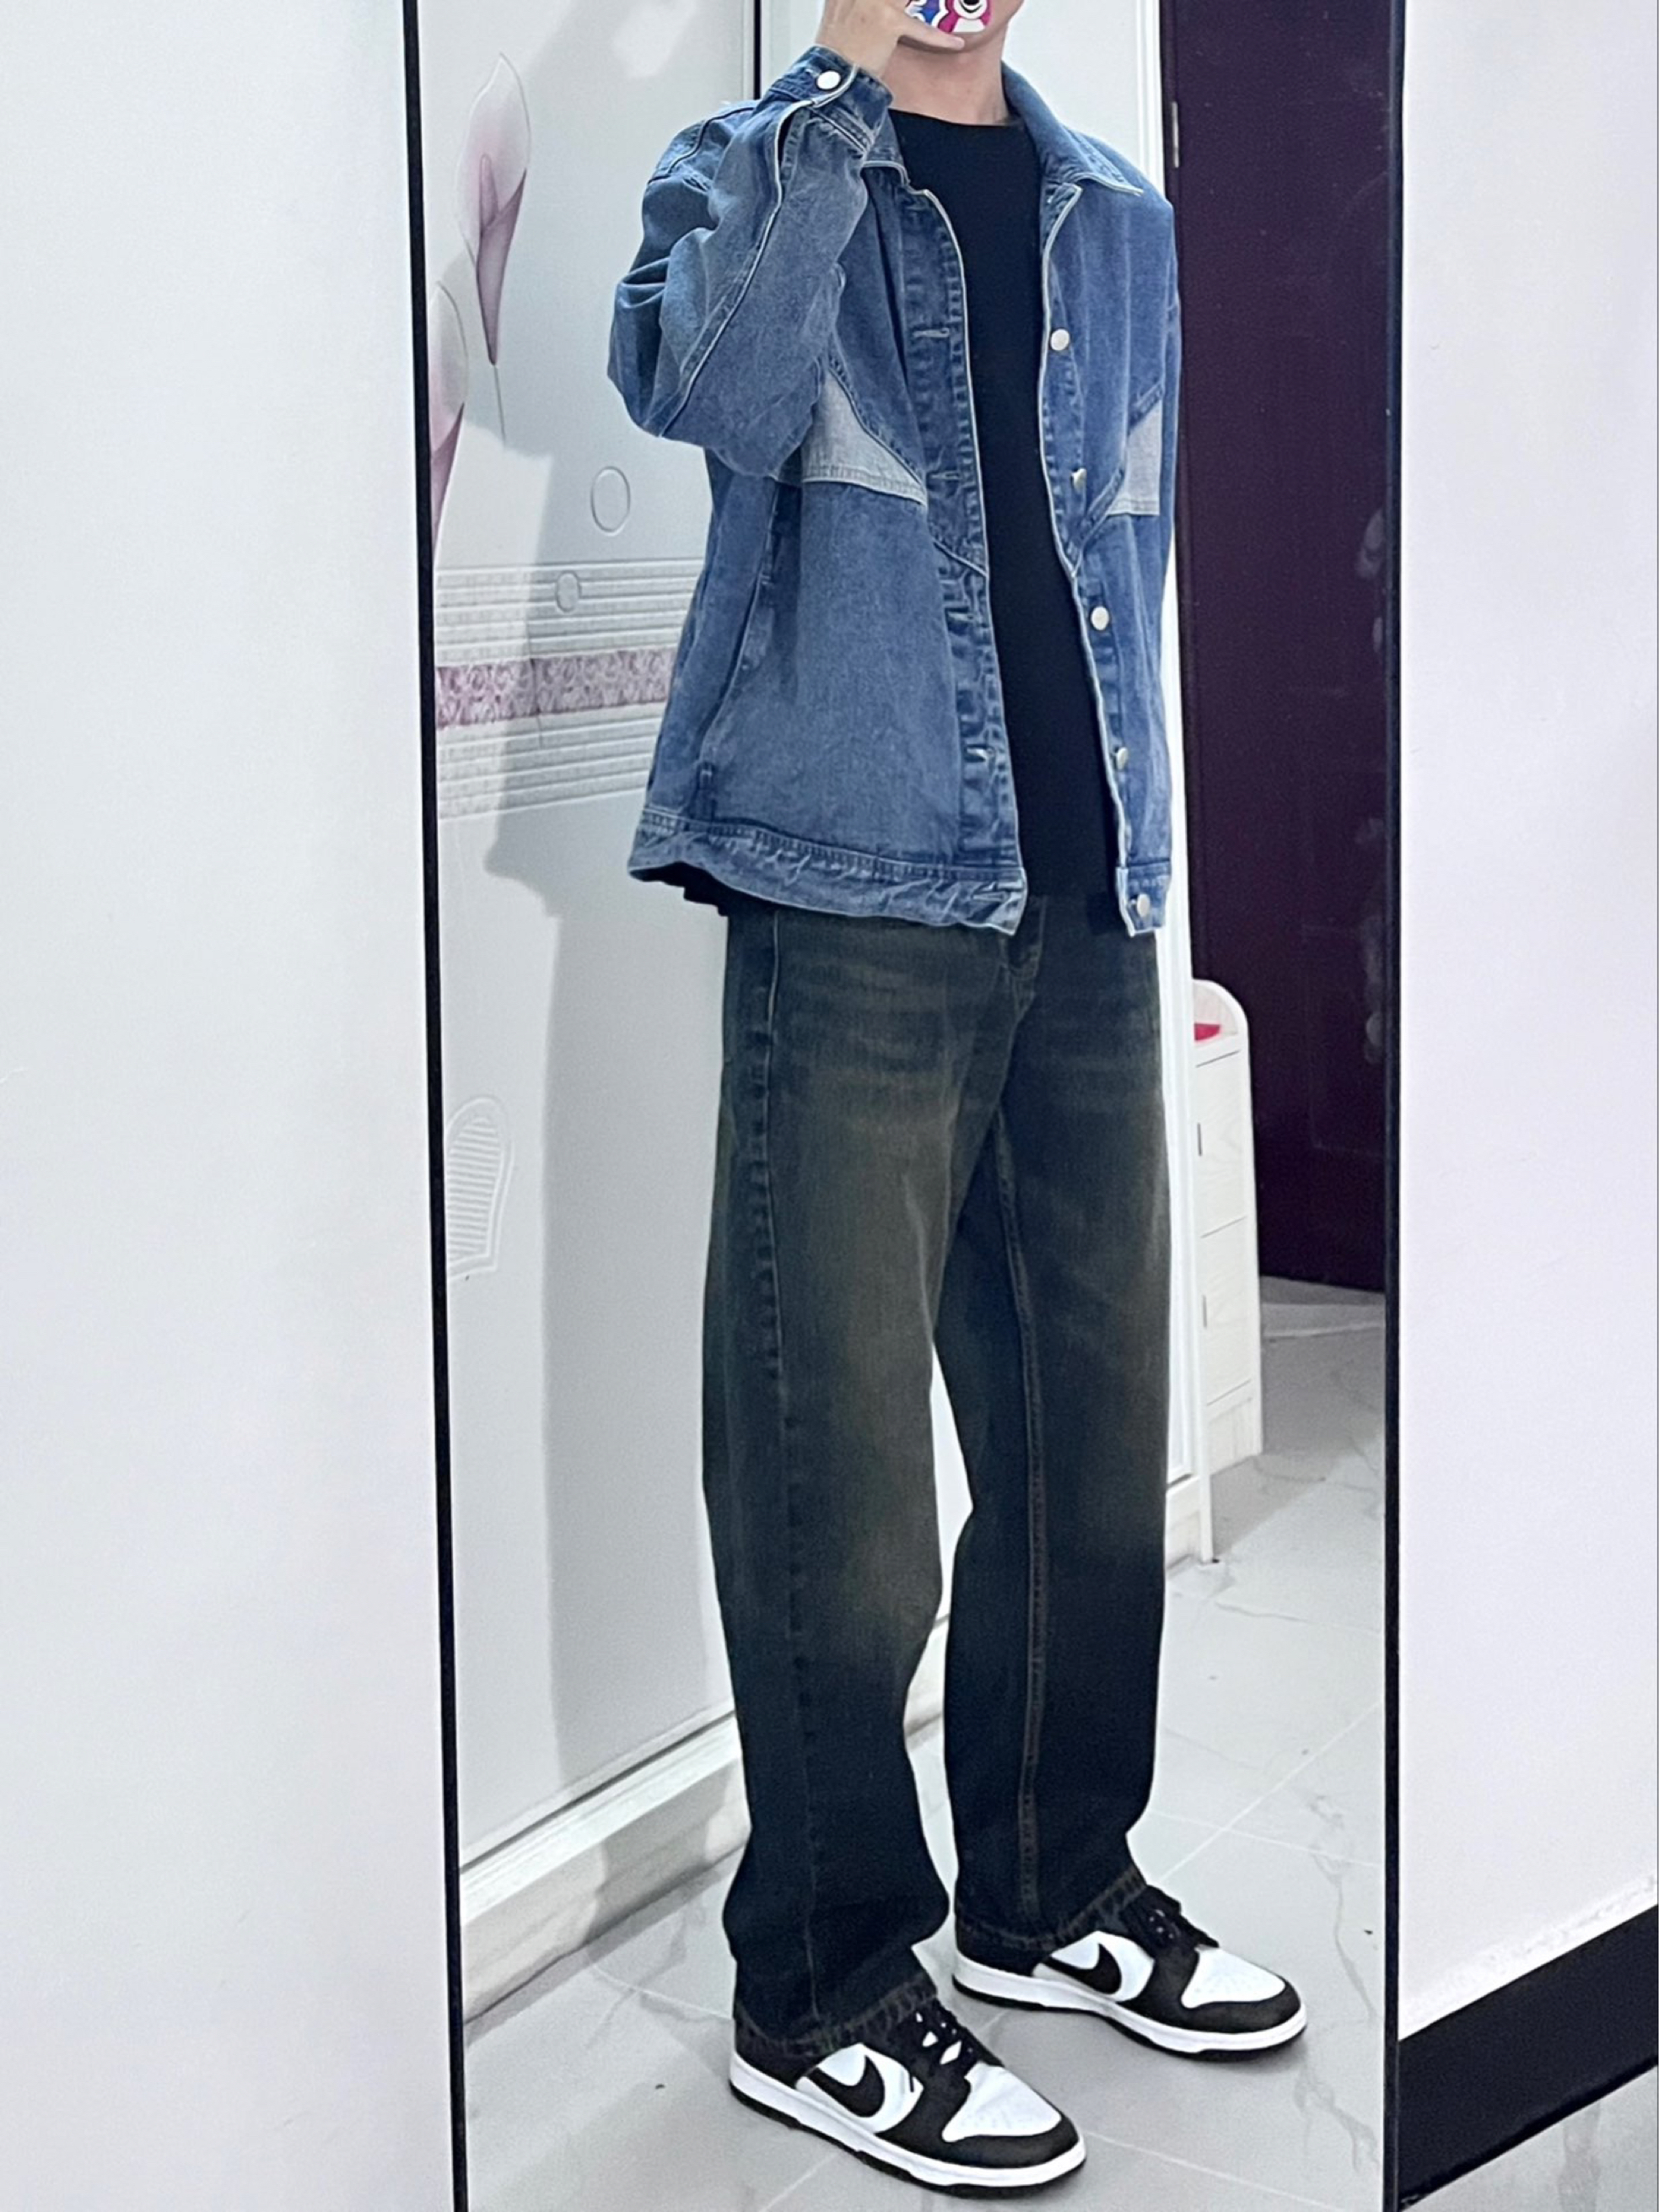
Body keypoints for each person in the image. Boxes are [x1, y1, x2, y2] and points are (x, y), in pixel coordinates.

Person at [606, 0, 1306, 2192]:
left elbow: (1119, 563)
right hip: (851, 895)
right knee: (835, 1492)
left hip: (1086, 902)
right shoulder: (755, 167)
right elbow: (707, 392)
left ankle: (1052, 1885)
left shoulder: (1118, 215)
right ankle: (820, 1986)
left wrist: (1142, 855)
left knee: (1093, 1451)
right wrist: (836, 90)